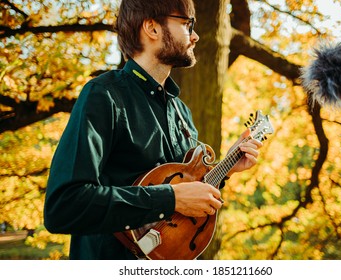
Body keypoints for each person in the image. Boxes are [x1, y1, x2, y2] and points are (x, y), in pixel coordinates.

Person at [44, 0, 262, 260]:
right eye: (186, 24)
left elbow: (183, 196)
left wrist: (225, 169)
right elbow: (64, 207)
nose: (195, 36)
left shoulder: (182, 112)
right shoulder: (103, 95)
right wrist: (169, 199)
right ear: (152, 28)